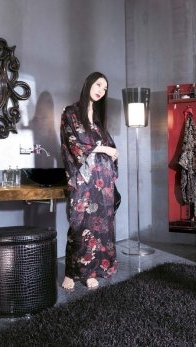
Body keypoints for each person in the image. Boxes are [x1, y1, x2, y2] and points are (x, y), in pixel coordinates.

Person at [60, 72, 119, 289]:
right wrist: (104, 148)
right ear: (88, 84)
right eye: (98, 85)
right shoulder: (70, 112)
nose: (101, 90)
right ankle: (71, 272)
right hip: (83, 178)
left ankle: (91, 271)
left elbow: (107, 143)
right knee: (79, 224)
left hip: (102, 179)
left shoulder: (97, 117)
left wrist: (113, 152)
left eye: (105, 88)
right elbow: (72, 144)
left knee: (101, 227)